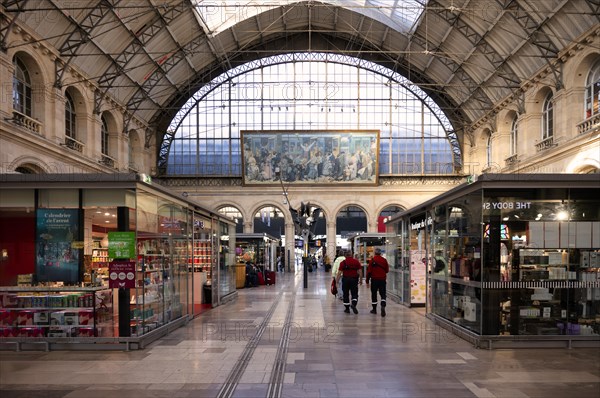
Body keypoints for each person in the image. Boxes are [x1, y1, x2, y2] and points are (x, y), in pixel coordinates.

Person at [366, 248, 390, 317]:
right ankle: (383, 305)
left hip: (374, 280)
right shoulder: (384, 260)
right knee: (383, 294)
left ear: (374, 253)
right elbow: (387, 270)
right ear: (380, 253)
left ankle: (374, 309)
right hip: (382, 280)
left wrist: (367, 281)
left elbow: (369, 272)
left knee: (374, 294)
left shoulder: (372, 260)